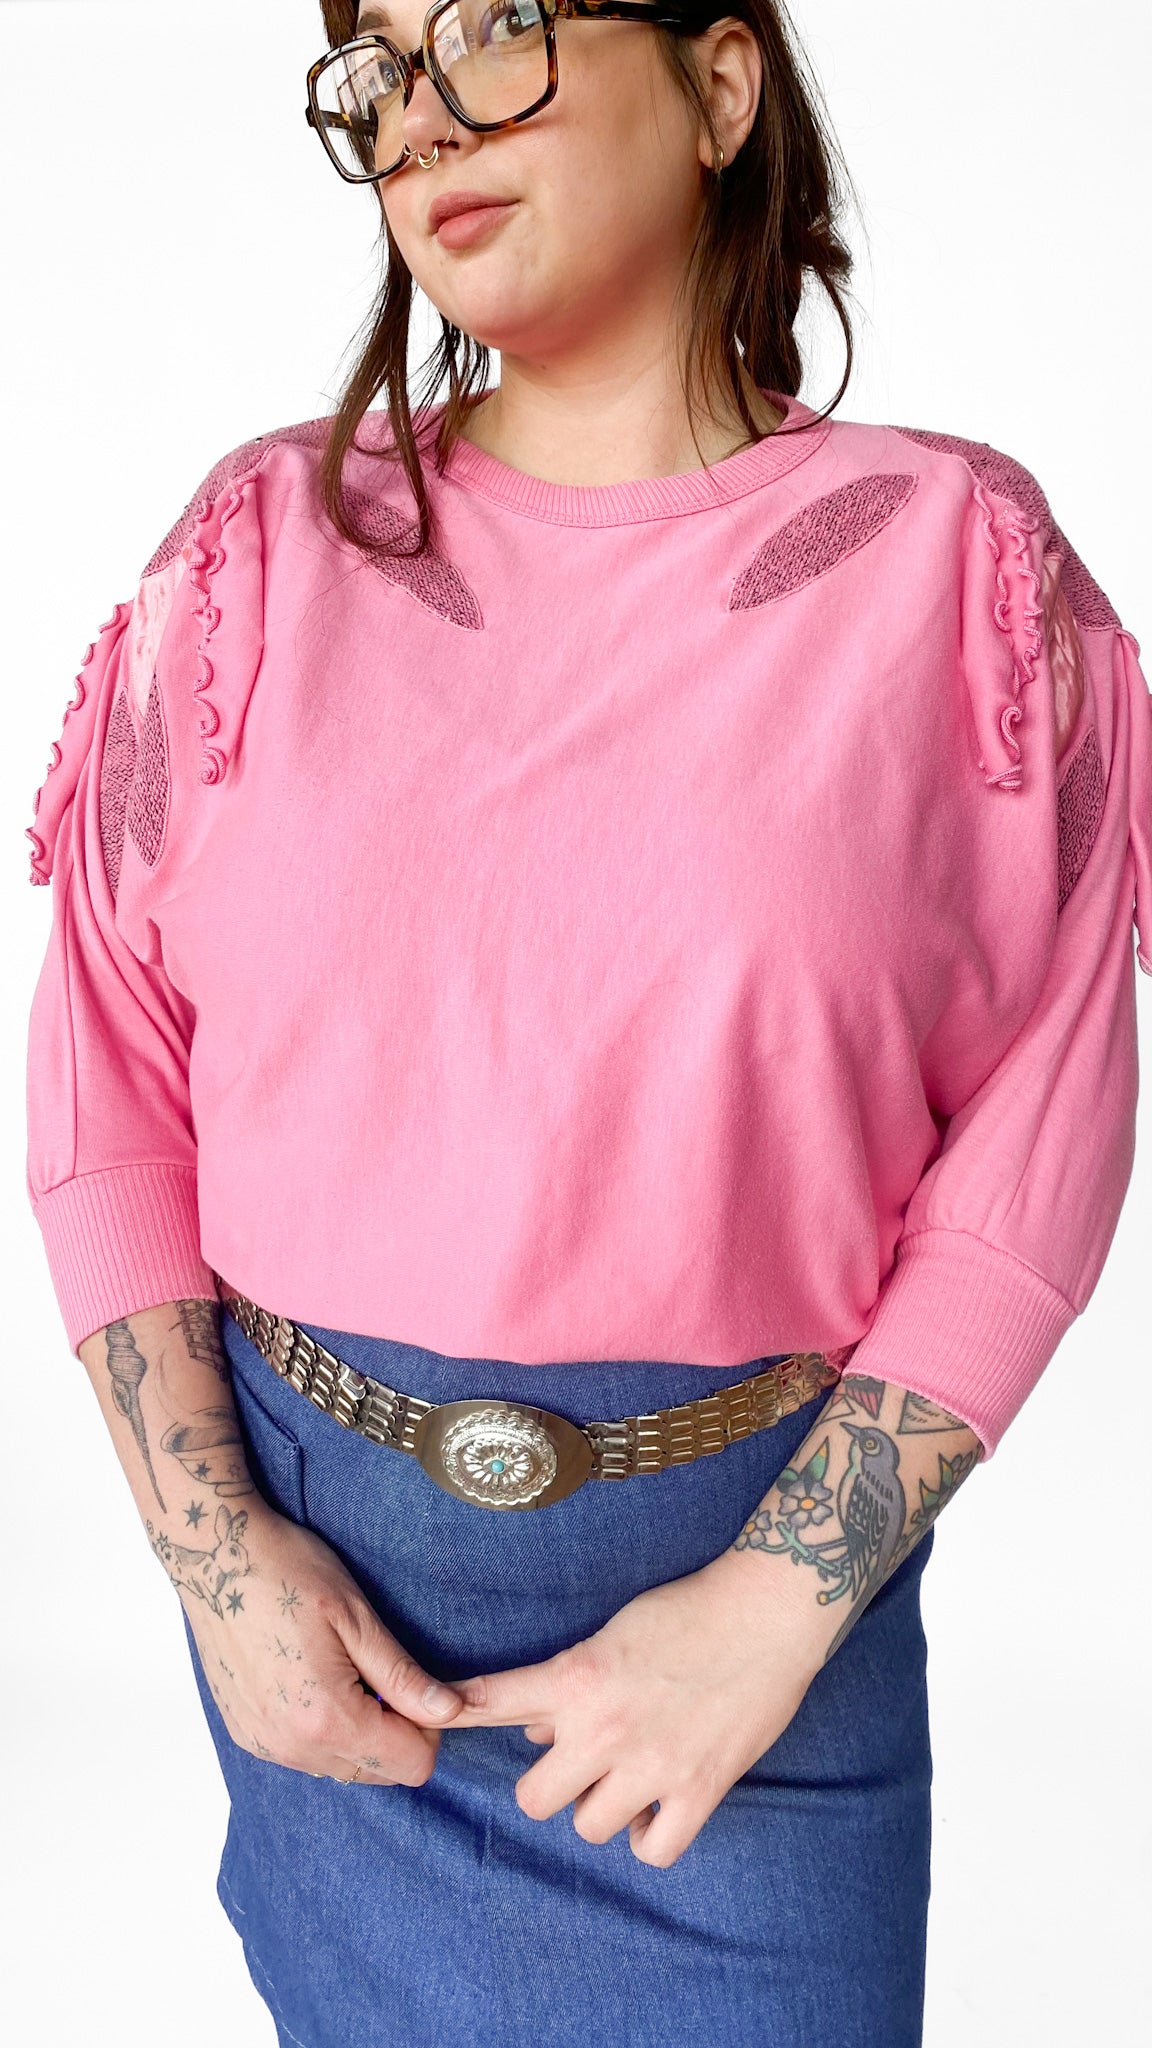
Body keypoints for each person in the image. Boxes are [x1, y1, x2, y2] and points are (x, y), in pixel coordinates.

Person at [23, 1, 1151, 2043]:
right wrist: (220, 1567)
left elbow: (1042, 1130)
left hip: (757, 1661)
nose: (425, 121)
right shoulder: (262, 554)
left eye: (500, 30)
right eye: (381, 72)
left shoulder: (958, 571)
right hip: (326, 1640)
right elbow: (108, 1074)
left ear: (721, 86)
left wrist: (772, 1616)